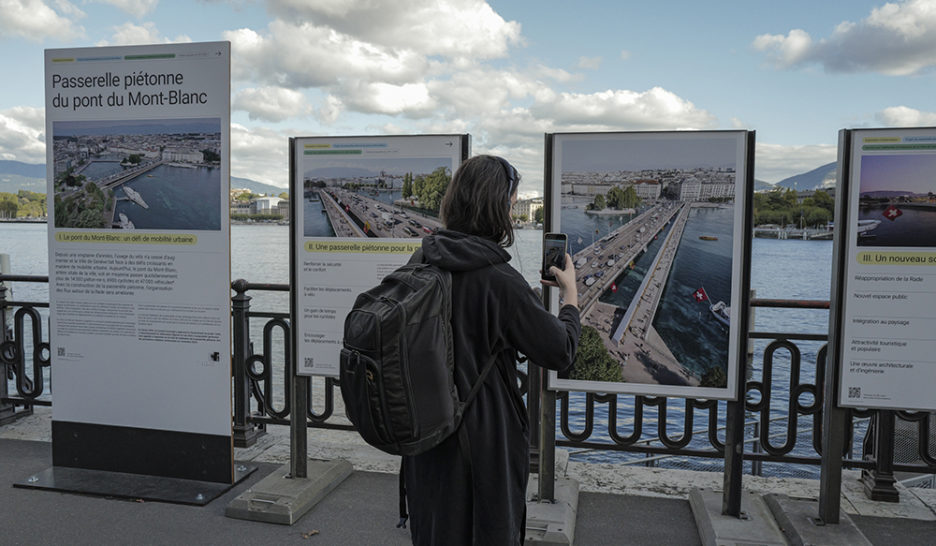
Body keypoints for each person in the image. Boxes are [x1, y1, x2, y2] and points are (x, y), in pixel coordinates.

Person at [403, 155, 580, 545]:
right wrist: (570, 298)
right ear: (499, 207)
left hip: (427, 436)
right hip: (482, 443)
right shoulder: (500, 280)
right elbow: (560, 350)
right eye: (512, 204)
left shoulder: (422, 259)